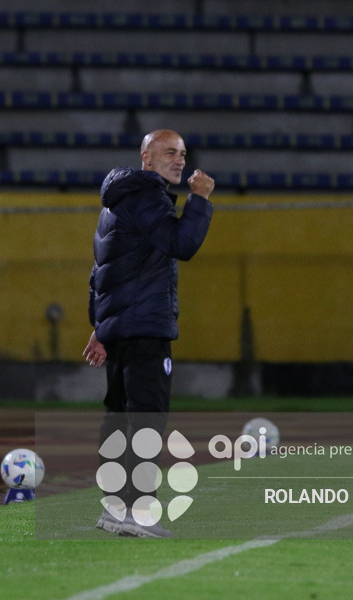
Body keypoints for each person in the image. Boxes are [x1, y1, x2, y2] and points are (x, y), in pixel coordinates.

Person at [83, 129, 215, 537]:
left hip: (122, 329)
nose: (179, 161)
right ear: (146, 157)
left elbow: (103, 271)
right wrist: (201, 201)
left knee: (119, 420)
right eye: (170, 153)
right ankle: (139, 512)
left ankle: (114, 509)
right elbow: (182, 243)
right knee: (145, 422)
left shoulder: (116, 203)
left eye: (183, 153)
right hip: (144, 329)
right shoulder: (147, 196)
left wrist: (99, 327)